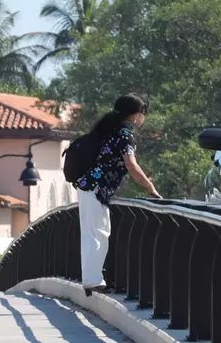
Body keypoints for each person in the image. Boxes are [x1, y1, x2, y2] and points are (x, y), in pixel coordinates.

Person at [74, 93, 162, 296]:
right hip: (96, 187)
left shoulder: (110, 130)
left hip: (89, 185)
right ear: (135, 115)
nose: (143, 118)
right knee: (98, 234)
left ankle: (92, 280)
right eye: (143, 113)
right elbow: (131, 165)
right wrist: (150, 188)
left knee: (93, 233)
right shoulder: (124, 134)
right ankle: (93, 281)